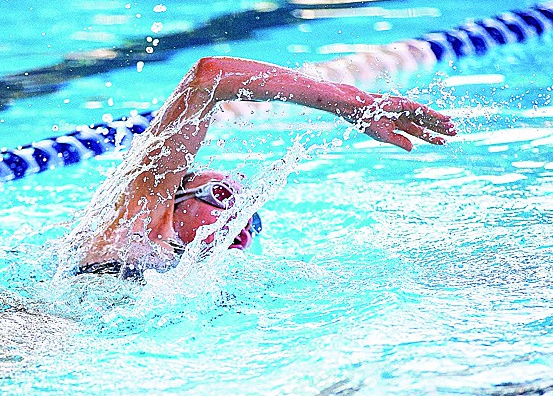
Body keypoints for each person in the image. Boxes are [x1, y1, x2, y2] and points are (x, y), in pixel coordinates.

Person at [68, 56, 455, 279]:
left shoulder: (186, 280)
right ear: (171, 200)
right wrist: (350, 101)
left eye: (250, 215)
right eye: (221, 195)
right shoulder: (135, 230)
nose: (240, 214)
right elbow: (210, 77)